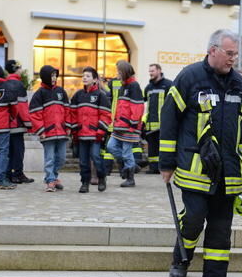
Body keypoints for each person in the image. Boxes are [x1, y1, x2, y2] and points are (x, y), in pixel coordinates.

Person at [160, 29, 242, 277]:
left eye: (235, 54)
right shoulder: (189, 78)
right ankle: (181, 259)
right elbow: (169, 118)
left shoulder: (239, 84)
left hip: (228, 173)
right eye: (229, 53)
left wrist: (241, 164)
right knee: (195, 217)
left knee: (221, 231)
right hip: (195, 167)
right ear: (213, 50)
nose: (233, 59)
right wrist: (166, 162)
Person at [70, 66, 111, 193]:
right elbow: (72, 114)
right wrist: (74, 131)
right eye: (83, 76)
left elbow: (106, 115)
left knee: (96, 157)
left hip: (95, 135)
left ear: (95, 80)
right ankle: (84, 183)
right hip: (81, 134)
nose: (84, 78)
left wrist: (100, 131)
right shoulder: (78, 95)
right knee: (83, 161)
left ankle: (101, 177)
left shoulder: (100, 95)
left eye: (88, 76)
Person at [29, 65, 70, 192]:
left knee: (61, 158)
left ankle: (53, 177)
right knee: (50, 158)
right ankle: (50, 180)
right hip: (47, 133)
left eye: (55, 75)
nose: (54, 78)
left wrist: (68, 126)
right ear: (45, 77)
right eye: (51, 75)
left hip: (62, 132)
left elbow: (68, 110)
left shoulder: (61, 92)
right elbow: (35, 114)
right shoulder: (39, 94)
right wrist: (41, 131)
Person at [106, 60, 144, 188]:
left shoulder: (134, 86)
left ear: (124, 72)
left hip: (129, 126)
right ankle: (132, 166)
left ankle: (130, 178)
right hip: (119, 125)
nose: (117, 74)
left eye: (119, 71)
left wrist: (133, 124)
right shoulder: (123, 86)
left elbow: (138, 106)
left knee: (127, 152)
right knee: (111, 146)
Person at [4, 60, 34, 184]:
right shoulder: (19, 85)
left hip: (6, 123)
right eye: (20, 68)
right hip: (17, 123)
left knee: (8, 150)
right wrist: (28, 123)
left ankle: (8, 174)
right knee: (18, 150)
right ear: (16, 69)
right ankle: (18, 174)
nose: (21, 70)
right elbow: (22, 106)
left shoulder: (4, 84)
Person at [142, 63, 172, 175]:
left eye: (152, 71)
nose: (150, 73)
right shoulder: (148, 88)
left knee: (164, 148)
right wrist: (144, 122)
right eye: (149, 71)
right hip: (151, 124)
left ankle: (164, 168)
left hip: (164, 124)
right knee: (152, 148)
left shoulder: (168, 85)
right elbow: (145, 105)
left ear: (159, 70)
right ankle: (153, 168)